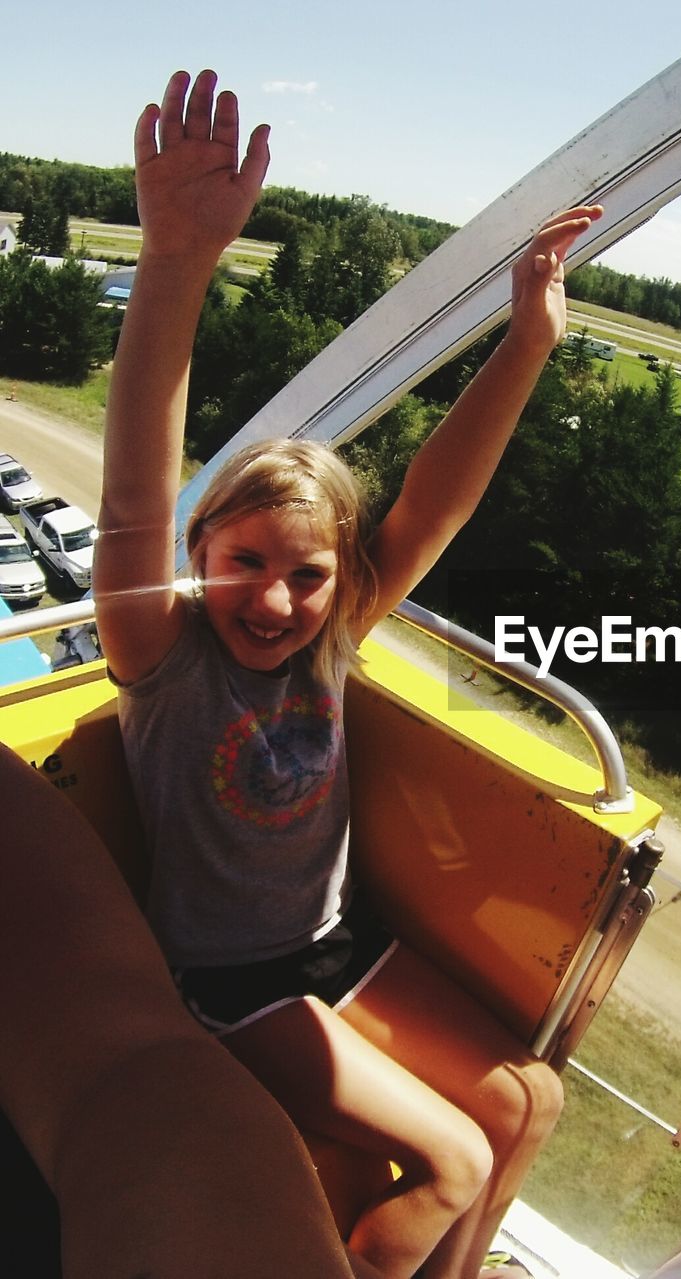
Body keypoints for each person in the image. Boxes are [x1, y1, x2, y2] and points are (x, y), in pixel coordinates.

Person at [94, 68, 601, 1279]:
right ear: (197, 552)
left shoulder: (331, 627)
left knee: (529, 1102)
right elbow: (128, 487)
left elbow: (435, 497)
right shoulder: (160, 655)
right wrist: (175, 256)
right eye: (244, 562)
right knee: (454, 1164)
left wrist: (528, 339)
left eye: (308, 572)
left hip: (337, 942)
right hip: (231, 980)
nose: (274, 599)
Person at [0, 742, 358, 1279]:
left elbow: (131, 1071)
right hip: (224, 979)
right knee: (463, 1155)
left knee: (499, 1127)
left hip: (305, 954)